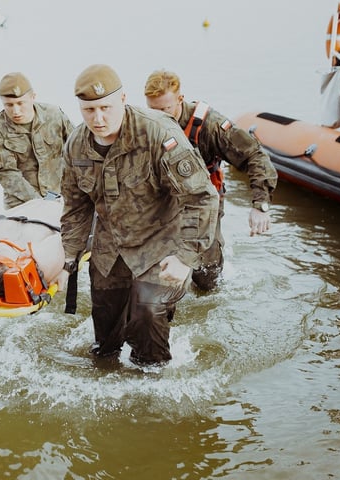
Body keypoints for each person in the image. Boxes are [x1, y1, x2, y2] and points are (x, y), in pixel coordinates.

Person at [60, 64, 219, 366]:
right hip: (110, 249)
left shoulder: (158, 133)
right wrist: (69, 257)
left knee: (147, 318)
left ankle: (153, 390)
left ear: (123, 99)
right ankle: (107, 379)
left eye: (105, 107)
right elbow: (75, 206)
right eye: (88, 110)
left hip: (160, 244)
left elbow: (201, 197)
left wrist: (185, 257)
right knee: (105, 339)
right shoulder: (76, 145)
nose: (98, 118)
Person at [143, 70, 278, 291]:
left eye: (165, 110)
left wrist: (260, 205)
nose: (158, 117)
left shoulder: (210, 125)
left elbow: (255, 156)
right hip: (164, 201)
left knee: (206, 275)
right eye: (153, 110)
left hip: (203, 204)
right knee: (153, 269)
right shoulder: (144, 124)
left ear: (180, 99)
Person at [0, 72, 74, 209]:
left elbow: (78, 150)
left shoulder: (54, 115)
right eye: (9, 105)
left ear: (33, 97)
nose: (16, 111)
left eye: (21, 103)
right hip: (21, 203)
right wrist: (39, 204)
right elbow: (7, 174)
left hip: (60, 196)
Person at [0, 197, 68, 303]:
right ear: (14, 269)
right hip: (56, 206)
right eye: (2, 254)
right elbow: (72, 238)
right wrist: (65, 270)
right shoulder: (41, 260)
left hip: (37, 204)